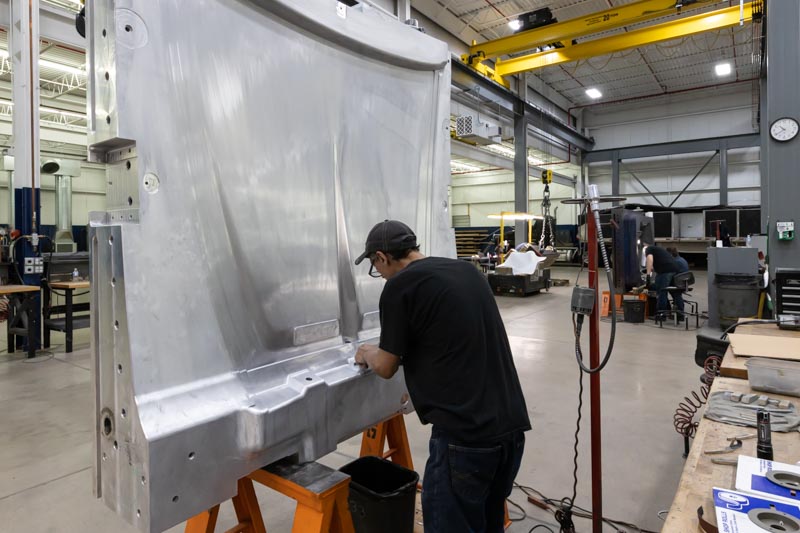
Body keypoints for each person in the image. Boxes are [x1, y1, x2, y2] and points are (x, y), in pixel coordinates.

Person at [354, 220, 530, 533]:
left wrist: (366, 353)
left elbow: (386, 366)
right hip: (510, 430)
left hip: (466, 440)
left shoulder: (400, 287)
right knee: (489, 525)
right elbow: (447, 338)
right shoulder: (465, 271)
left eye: (374, 266)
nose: (378, 273)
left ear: (382, 257)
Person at [644, 243, 684, 319]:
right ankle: (680, 314)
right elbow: (658, 263)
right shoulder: (660, 250)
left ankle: (661, 315)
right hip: (675, 270)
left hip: (665, 271)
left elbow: (650, 259)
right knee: (675, 293)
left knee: (662, 292)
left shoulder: (649, 249)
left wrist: (648, 275)